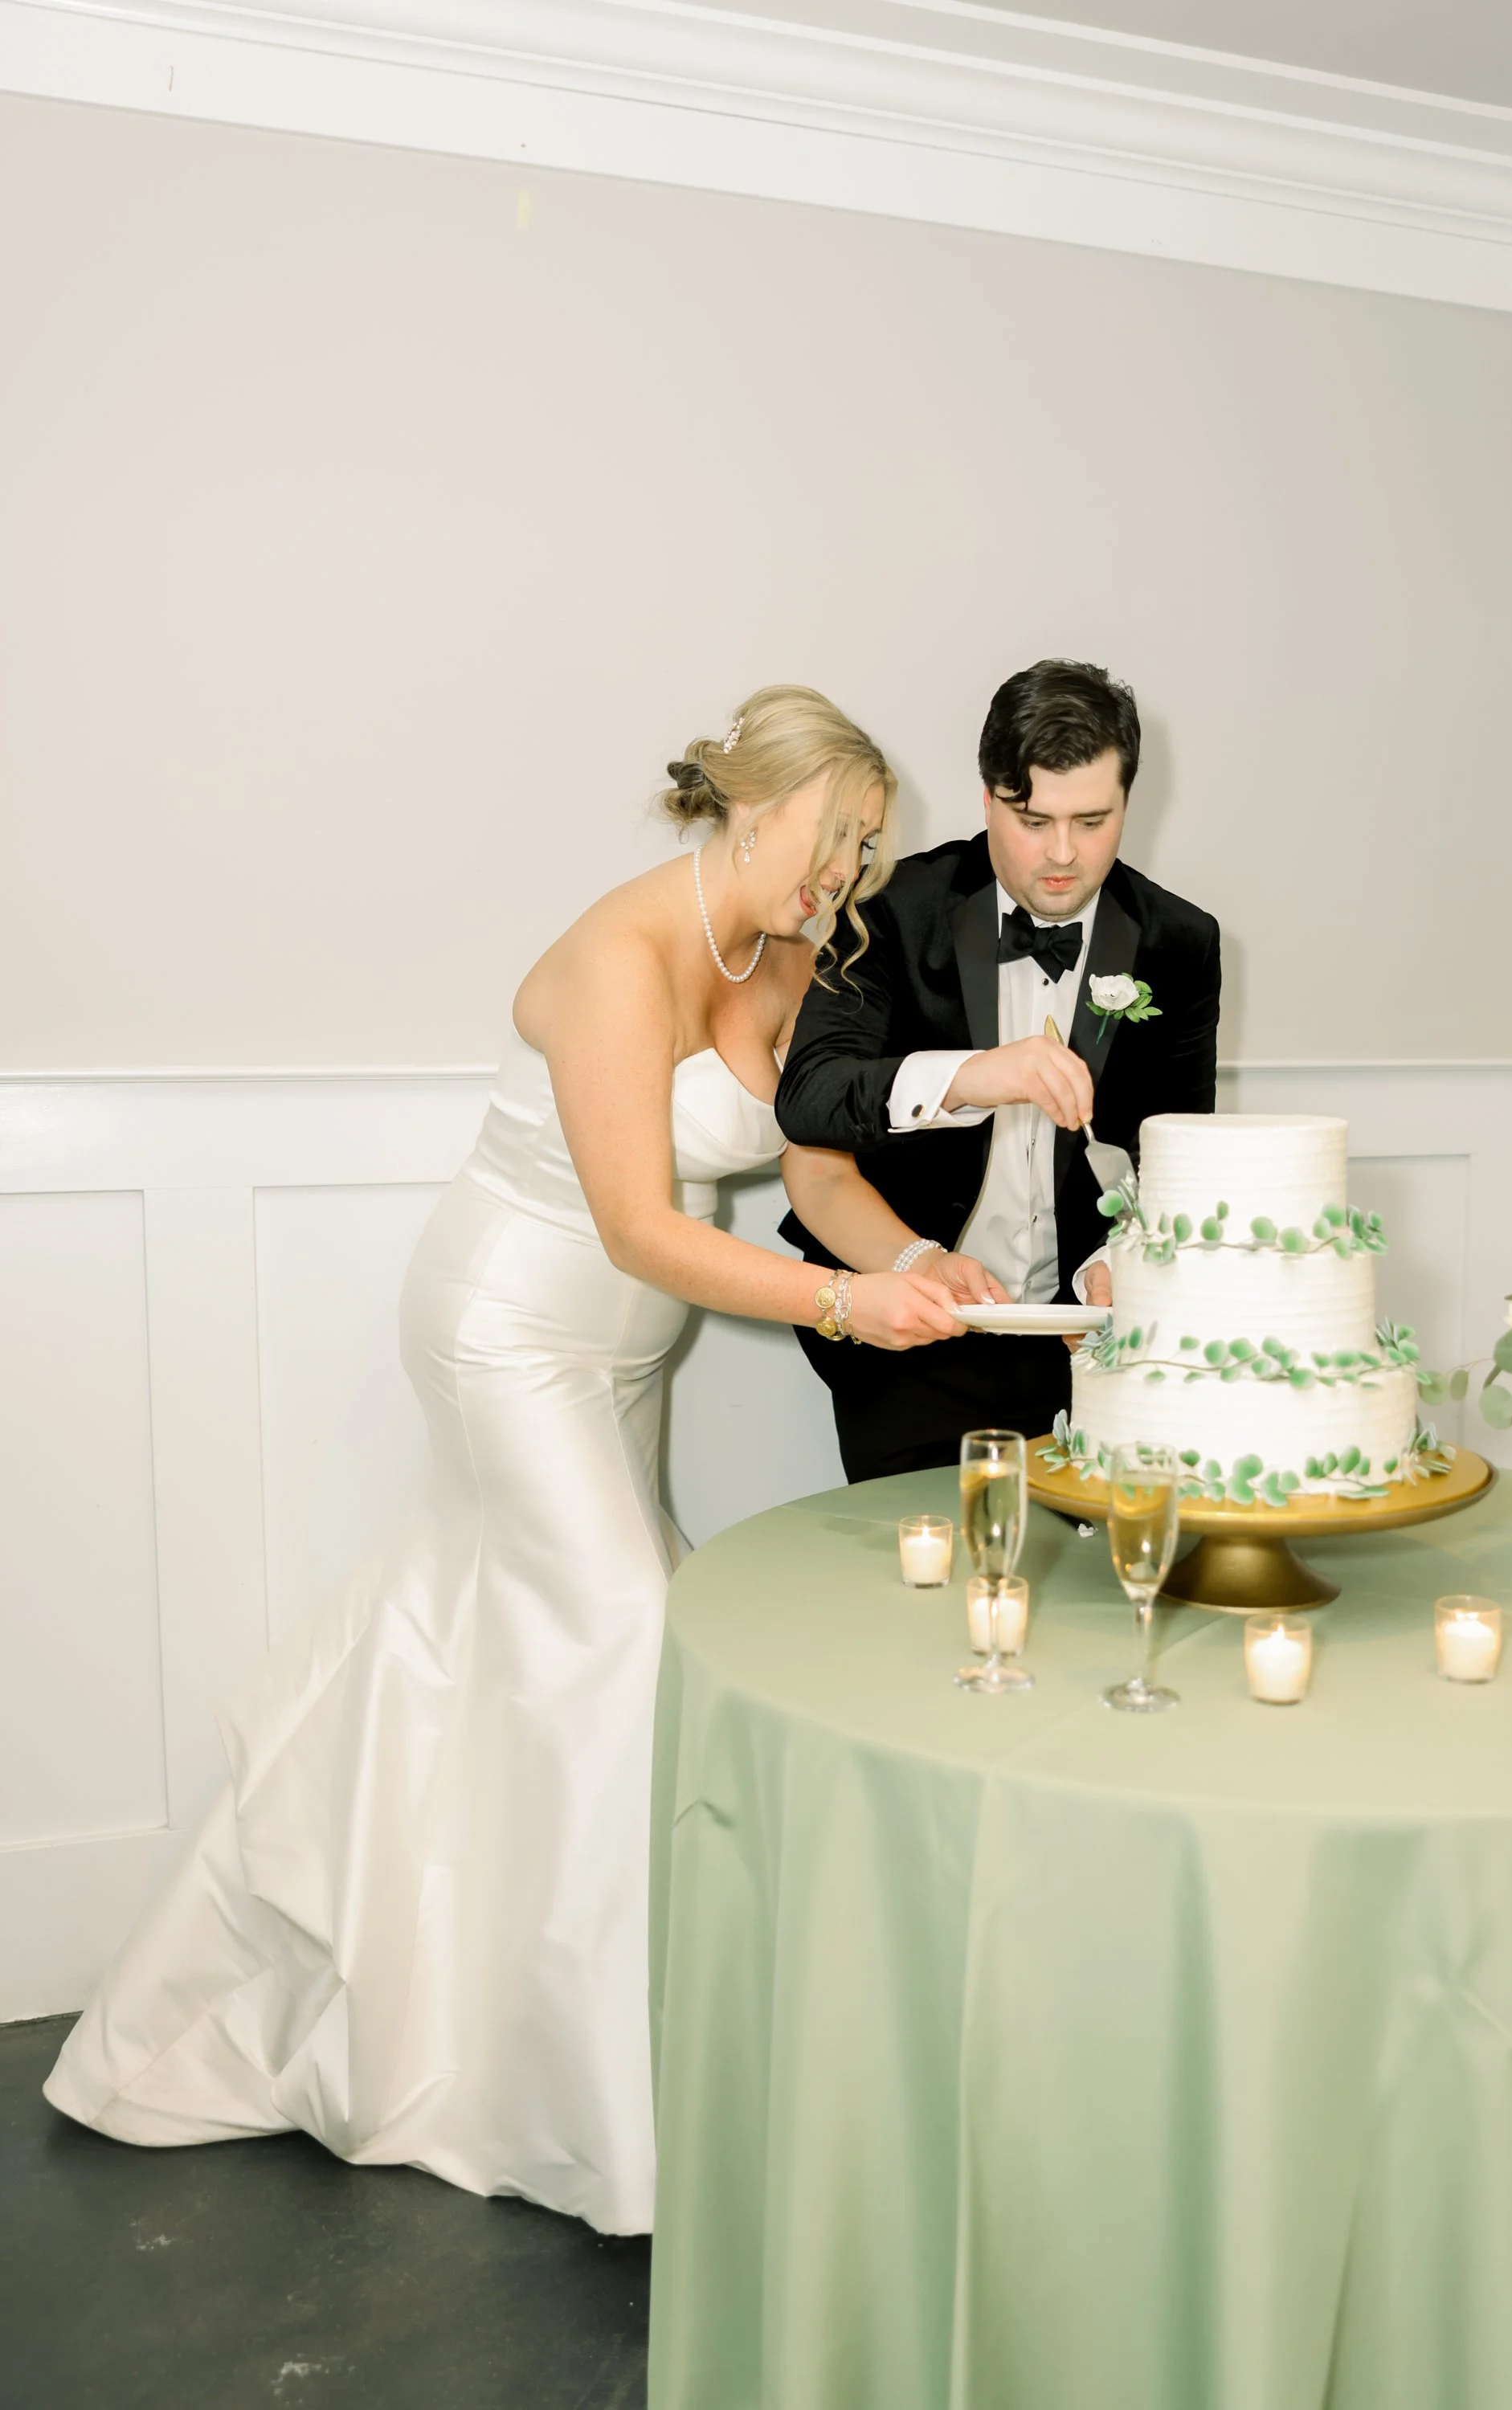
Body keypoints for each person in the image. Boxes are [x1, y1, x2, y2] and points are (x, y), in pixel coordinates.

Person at [44, 685, 1002, 2236]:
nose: (847, 882)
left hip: (618, 1365)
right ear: (751, 809)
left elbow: (819, 1172)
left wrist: (920, 1266)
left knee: (503, 1681)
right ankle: (626, 2121)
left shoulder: (791, 955)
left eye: (867, 855)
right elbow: (641, 1224)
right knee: (634, 1640)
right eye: (832, 845)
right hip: (505, 1341)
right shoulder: (619, 959)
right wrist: (849, 1307)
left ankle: (469, 2031)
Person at [775, 659, 1221, 1481]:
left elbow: (1177, 1151)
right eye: (1031, 819)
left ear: (1128, 801)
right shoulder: (889, 911)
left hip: (1089, 1350)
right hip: (908, 1336)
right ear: (985, 800)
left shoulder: (1179, 942)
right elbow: (807, 1099)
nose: (1061, 854)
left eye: (1092, 820)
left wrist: (1108, 1266)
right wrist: (974, 1076)